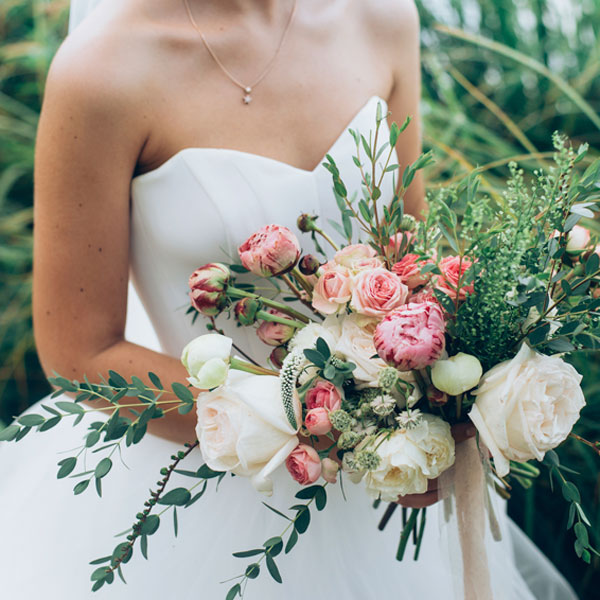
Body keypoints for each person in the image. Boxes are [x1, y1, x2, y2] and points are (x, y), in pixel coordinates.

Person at [0, 1, 578, 598]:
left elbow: (412, 256)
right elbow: (79, 353)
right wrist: (321, 429)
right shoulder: (100, 70)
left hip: (389, 487)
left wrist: (438, 398)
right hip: (211, 493)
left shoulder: (382, 18)